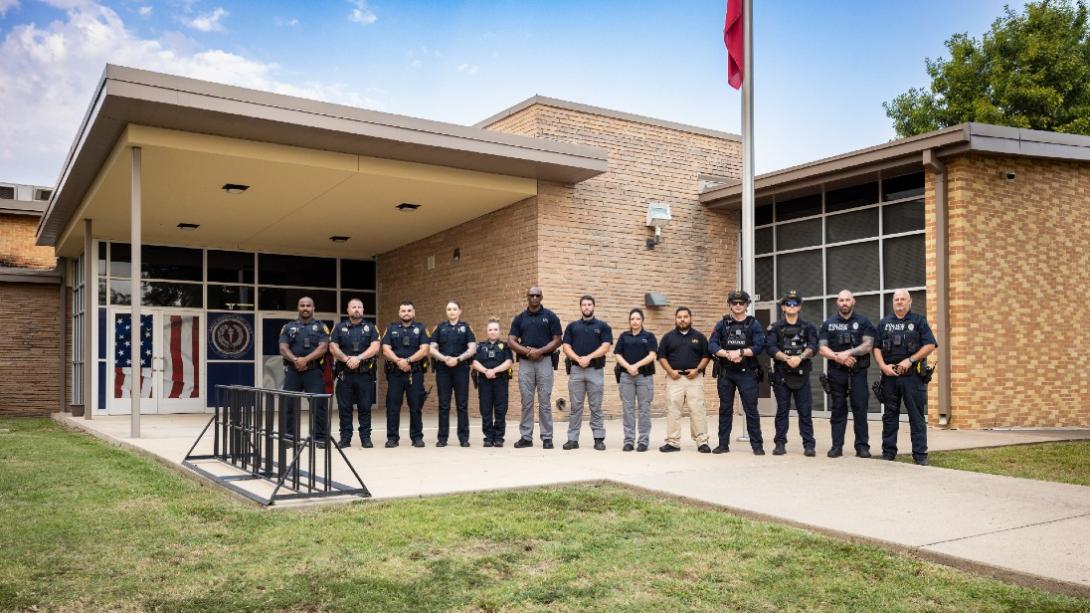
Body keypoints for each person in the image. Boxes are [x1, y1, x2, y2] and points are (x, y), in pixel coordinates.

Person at [874, 289, 937, 465]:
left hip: (912, 377)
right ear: (893, 302)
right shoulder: (884, 323)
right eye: (897, 299)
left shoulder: (918, 321)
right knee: (889, 416)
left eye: (903, 299)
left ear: (910, 302)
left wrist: (910, 360)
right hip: (890, 377)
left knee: (916, 417)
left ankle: (920, 455)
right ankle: (888, 453)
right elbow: (876, 347)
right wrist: (882, 366)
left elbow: (930, 344)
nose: (900, 302)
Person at [818, 289, 876, 458]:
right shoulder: (828, 323)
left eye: (847, 300)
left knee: (860, 409)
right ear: (837, 302)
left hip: (858, 372)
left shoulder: (863, 322)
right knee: (838, 409)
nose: (844, 303)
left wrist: (848, 353)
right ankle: (837, 446)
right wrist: (839, 357)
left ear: (853, 301)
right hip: (836, 372)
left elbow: (868, 345)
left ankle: (862, 447)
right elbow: (822, 348)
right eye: (841, 300)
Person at [709, 290, 767, 455]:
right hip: (726, 372)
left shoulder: (753, 324)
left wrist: (740, 353)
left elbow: (759, 346)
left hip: (747, 372)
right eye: (734, 303)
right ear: (729, 304)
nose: (738, 305)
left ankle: (757, 445)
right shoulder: (722, 324)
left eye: (741, 302)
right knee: (725, 409)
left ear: (747, 305)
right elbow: (712, 344)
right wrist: (727, 354)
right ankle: (723, 444)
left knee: (751, 409)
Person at [508, 286, 563, 449]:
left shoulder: (550, 316)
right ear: (527, 297)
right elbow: (511, 341)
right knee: (526, 400)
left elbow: (558, 339)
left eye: (537, 295)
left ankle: (547, 438)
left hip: (545, 361)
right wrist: (527, 352)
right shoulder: (520, 318)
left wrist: (540, 351)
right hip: (526, 363)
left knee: (544, 401)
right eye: (531, 295)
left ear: (541, 297)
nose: (534, 298)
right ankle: (526, 437)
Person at [765, 290, 818, 456]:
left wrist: (800, 357)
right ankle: (780, 443)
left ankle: (809, 445)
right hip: (782, 374)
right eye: (788, 304)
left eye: (795, 304)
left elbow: (813, 346)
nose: (792, 306)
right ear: (783, 307)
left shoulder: (808, 327)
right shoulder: (775, 327)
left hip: (802, 374)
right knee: (782, 411)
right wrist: (787, 358)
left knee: (805, 411)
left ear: (800, 307)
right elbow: (770, 347)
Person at [561, 295, 613, 451]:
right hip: (576, 370)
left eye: (589, 304)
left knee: (595, 406)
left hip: (595, 371)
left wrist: (589, 357)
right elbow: (566, 347)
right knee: (575, 407)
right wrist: (578, 359)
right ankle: (572, 440)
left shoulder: (603, 326)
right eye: (584, 304)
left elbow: (606, 346)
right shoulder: (572, 326)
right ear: (580, 307)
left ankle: (598, 439)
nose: (586, 307)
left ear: (594, 306)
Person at [657, 307, 711, 453]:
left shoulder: (699, 337)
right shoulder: (668, 337)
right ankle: (673, 442)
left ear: (690, 318)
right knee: (673, 410)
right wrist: (670, 372)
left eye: (685, 317)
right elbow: (661, 357)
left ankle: (702, 442)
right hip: (674, 379)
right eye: (679, 317)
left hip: (694, 379)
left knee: (697, 410)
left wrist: (697, 370)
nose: (682, 319)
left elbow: (706, 356)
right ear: (675, 319)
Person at [328, 297, 381, 448]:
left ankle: (365, 438)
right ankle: (345, 438)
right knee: (345, 409)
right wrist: (346, 359)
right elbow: (332, 347)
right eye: (354, 307)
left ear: (363, 310)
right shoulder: (339, 328)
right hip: (345, 375)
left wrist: (358, 358)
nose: (357, 309)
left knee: (365, 408)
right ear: (348, 310)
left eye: (359, 307)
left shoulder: (371, 327)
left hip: (365, 374)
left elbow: (375, 347)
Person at [278, 296, 329, 445]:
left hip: (313, 372)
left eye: (308, 305)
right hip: (293, 372)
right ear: (298, 308)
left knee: (319, 405)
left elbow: (323, 348)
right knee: (288, 405)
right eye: (302, 305)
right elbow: (283, 348)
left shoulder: (321, 327)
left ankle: (319, 438)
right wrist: (296, 360)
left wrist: (305, 360)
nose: (305, 308)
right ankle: (289, 438)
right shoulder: (288, 327)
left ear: (313, 308)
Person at [381, 301, 430, 448]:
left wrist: (408, 361)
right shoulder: (391, 328)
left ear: (413, 312)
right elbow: (385, 349)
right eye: (403, 310)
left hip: (414, 373)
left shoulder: (421, 328)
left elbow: (425, 349)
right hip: (395, 373)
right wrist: (398, 361)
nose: (406, 313)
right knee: (393, 407)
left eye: (409, 310)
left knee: (416, 406)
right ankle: (392, 438)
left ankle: (417, 437)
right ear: (399, 313)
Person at [429, 300, 477, 447]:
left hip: (461, 368)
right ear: (446, 311)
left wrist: (458, 359)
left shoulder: (466, 328)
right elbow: (431, 348)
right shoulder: (440, 328)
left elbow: (472, 348)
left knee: (462, 404)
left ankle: (464, 438)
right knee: (444, 404)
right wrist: (445, 359)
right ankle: (442, 438)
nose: (451, 311)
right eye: (449, 309)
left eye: (454, 309)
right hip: (443, 369)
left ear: (459, 311)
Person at [614, 308, 657, 452]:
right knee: (628, 410)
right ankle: (629, 441)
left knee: (644, 410)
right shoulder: (624, 336)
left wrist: (636, 366)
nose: (635, 321)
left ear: (642, 320)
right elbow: (618, 355)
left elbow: (652, 355)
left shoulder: (649, 336)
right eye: (632, 319)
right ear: (629, 321)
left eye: (638, 318)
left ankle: (643, 441)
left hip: (644, 377)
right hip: (626, 377)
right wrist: (629, 367)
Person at [472, 318, 514, 447]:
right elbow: (474, 362)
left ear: (500, 331)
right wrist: (486, 371)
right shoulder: (480, 346)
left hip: (500, 381)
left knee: (501, 410)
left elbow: (509, 362)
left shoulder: (505, 346)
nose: (493, 332)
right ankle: (488, 437)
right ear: (487, 331)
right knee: (486, 410)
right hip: (484, 381)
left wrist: (494, 371)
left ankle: (499, 437)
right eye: (490, 329)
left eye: (495, 329)